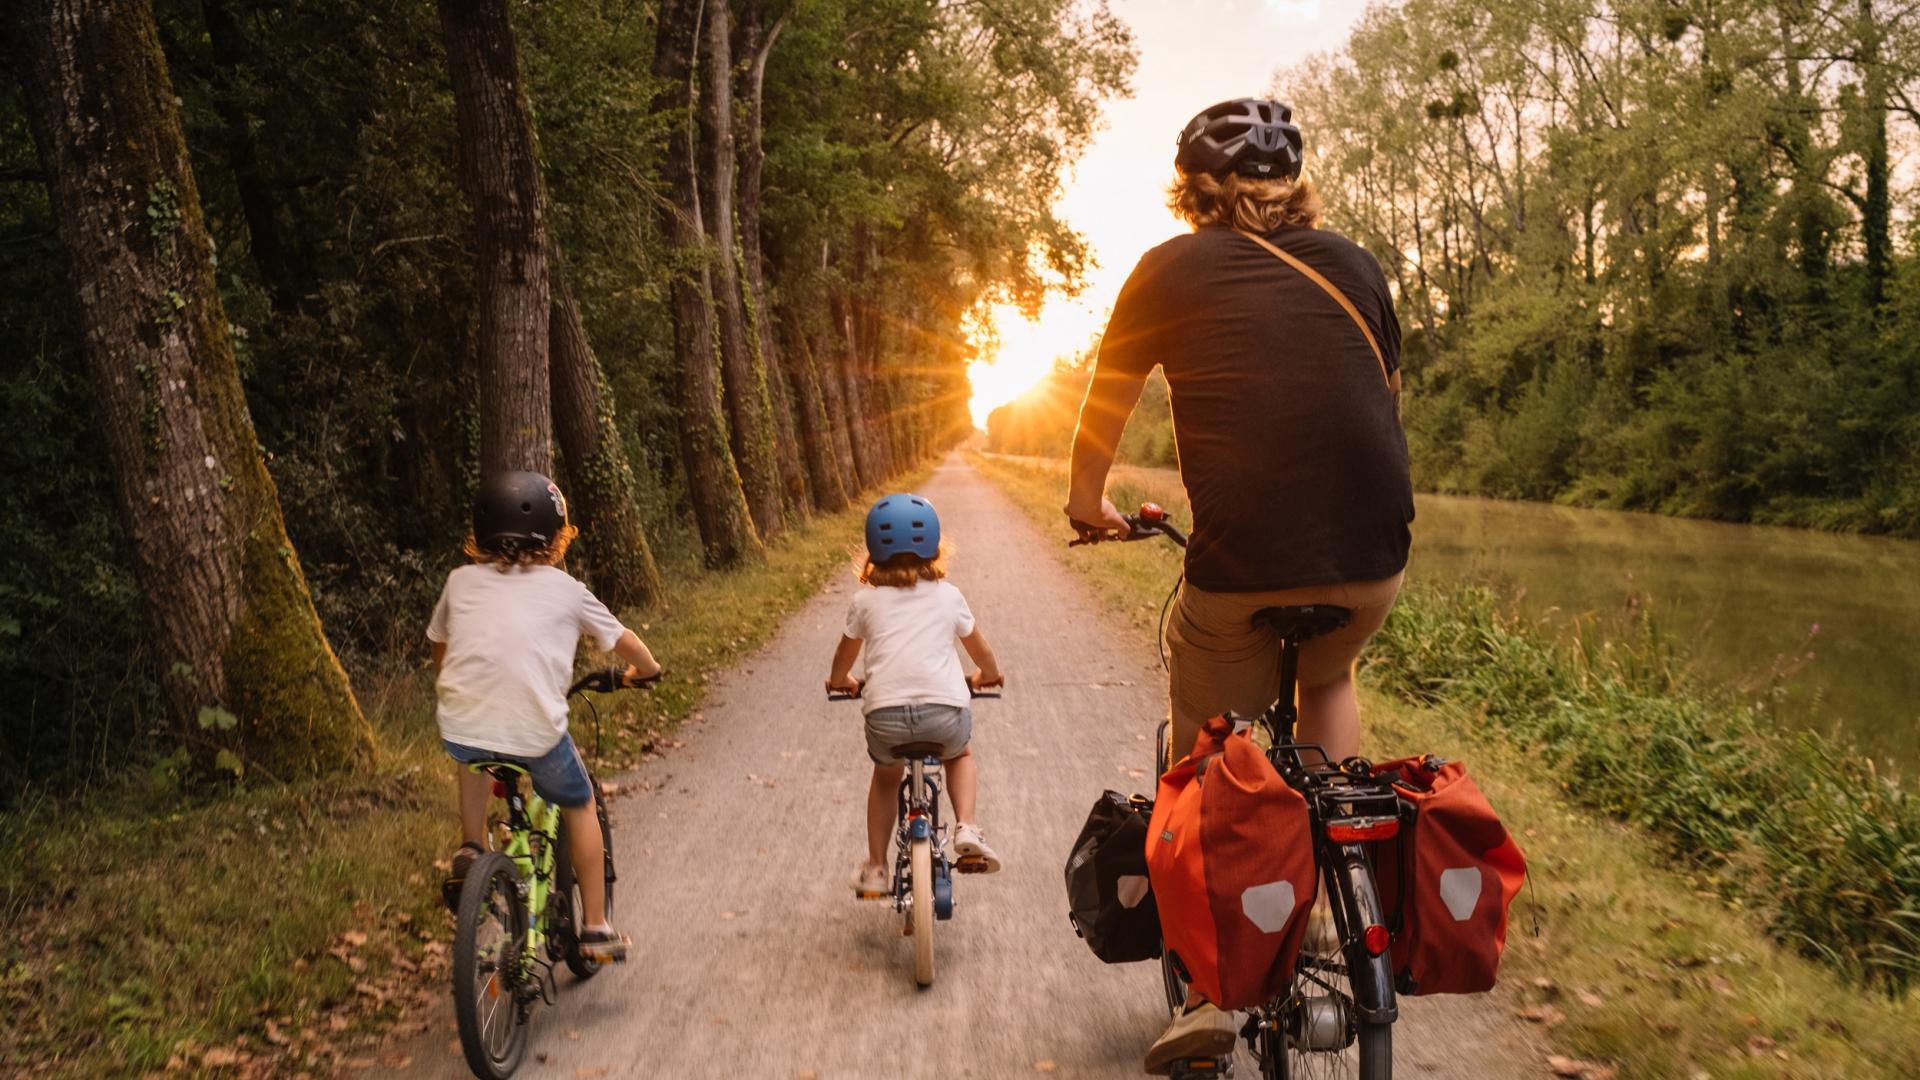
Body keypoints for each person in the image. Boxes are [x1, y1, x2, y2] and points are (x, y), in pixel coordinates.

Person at [1065, 99, 1414, 1074]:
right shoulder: (1353, 265)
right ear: (1296, 181)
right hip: (1373, 554)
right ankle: (1336, 873)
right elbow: (1376, 399)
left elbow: (1106, 403)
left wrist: (1084, 505)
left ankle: (1217, 981)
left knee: (1206, 748)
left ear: (1192, 188)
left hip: (1242, 562)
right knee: (1329, 680)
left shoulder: (1167, 268)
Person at [428, 470, 662, 961]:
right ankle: (596, 926)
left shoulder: (458, 581)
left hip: (462, 724)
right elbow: (625, 642)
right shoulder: (567, 589)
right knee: (578, 801)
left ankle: (471, 847)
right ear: (556, 538)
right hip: (535, 733)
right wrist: (646, 669)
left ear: (481, 533)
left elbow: (439, 645)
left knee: (471, 753)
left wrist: (456, 685)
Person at [825, 493, 1006, 896]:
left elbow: (844, 655)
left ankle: (876, 868)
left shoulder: (864, 601)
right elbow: (980, 651)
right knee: (958, 755)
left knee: (887, 778)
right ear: (934, 549)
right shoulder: (949, 595)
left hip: (885, 719)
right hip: (944, 713)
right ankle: (968, 827)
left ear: (873, 552)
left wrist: (841, 680)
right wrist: (988, 675)